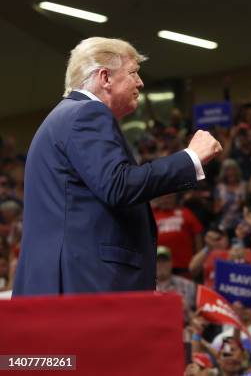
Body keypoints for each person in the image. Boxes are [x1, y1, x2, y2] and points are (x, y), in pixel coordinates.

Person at [12, 37, 222, 296]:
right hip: (84, 282)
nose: (141, 82)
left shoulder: (63, 117)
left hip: (63, 281)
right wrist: (190, 158)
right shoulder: (86, 113)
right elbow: (118, 184)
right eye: (133, 72)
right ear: (105, 77)